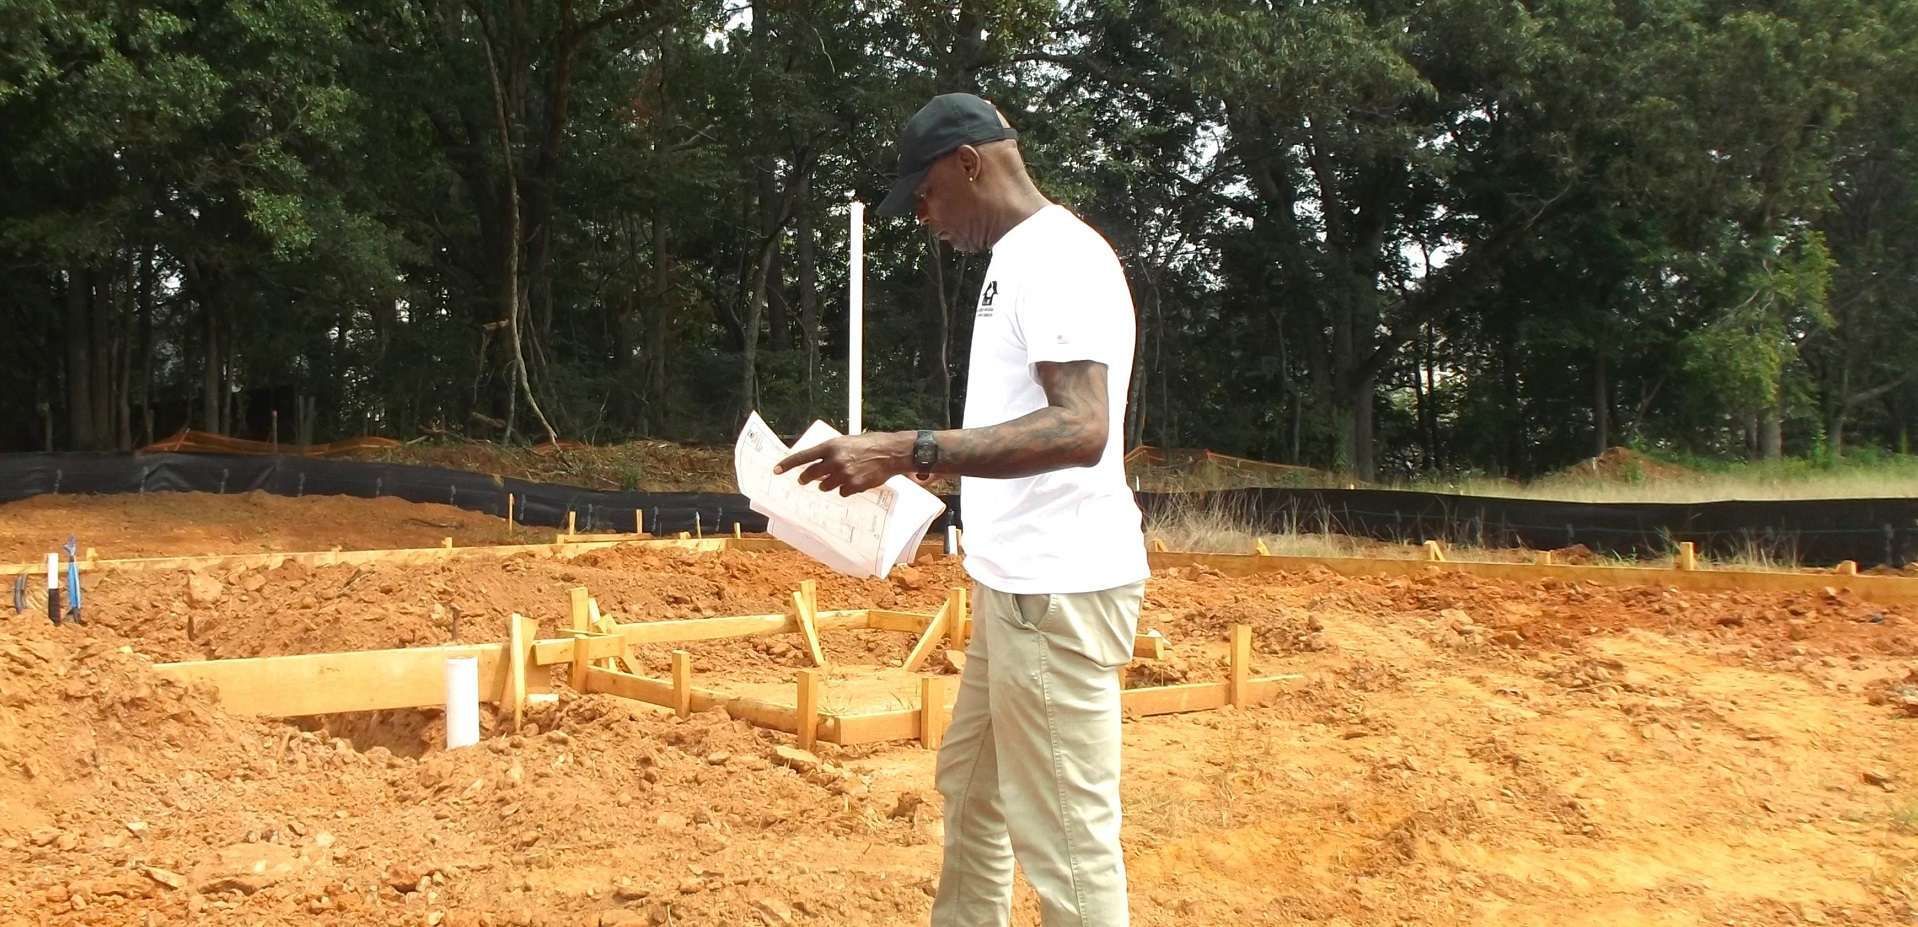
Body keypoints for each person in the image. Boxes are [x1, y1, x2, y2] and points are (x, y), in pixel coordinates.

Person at [774, 92, 1147, 927]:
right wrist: (914, 483)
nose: (924, 217)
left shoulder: (1058, 259)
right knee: (972, 789)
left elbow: (1082, 427)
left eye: (926, 194)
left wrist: (910, 449)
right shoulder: (1017, 260)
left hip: (1055, 594)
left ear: (969, 164)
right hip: (1014, 589)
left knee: (1068, 843)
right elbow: (1026, 432)